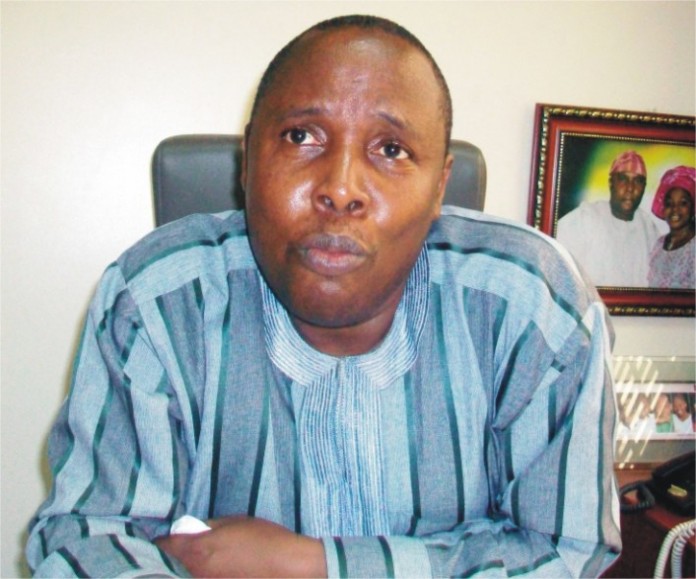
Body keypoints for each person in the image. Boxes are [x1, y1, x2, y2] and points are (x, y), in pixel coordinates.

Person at [26, 15, 620, 578]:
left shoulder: (533, 309)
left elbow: (565, 550)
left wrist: (314, 565)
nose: (340, 189)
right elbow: (89, 538)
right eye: (302, 136)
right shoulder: (158, 303)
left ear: (440, 186)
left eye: (391, 150)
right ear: (247, 162)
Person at [556, 150, 662, 287]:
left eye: (638, 181)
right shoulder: (585, 218)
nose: (630, 188)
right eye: (623, 179)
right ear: (611, 183)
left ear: (644, 187)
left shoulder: (648, 229)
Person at [648, 165, 696, 289]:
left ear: (693, 208)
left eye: (683, 203)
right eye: (669, 204)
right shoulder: (659, 244)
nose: (675, 209)